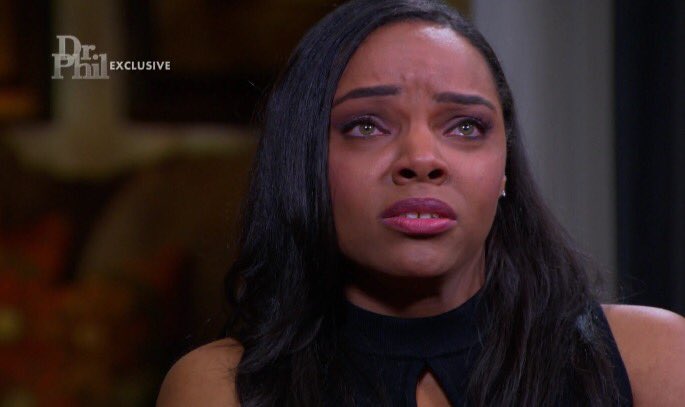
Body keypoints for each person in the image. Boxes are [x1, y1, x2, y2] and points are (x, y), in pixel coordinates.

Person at [157, 0, 685, 405]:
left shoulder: (653, 361)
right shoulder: (220, 388)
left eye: (465, 126)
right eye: (366, 126)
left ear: (504, 169)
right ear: (306, 160)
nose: (422, 159)